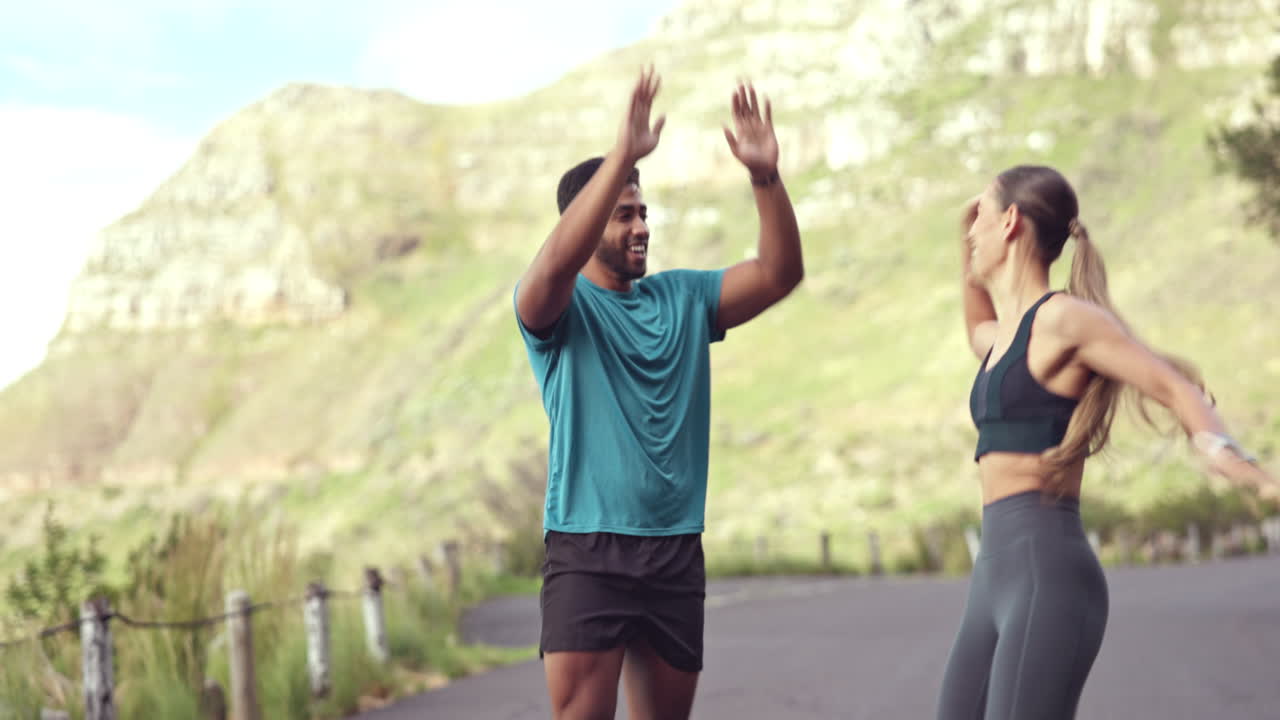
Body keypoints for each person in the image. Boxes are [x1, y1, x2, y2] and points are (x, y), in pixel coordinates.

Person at [936, 164, 1278, 720]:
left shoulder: (1065, 320)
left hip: (1045, 571)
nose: (973, 231)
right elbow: (974, 320)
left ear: (1011, 222)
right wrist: (961, 234)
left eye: (982, 219)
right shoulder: (1006, 336)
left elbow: (1168, 383)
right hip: (993, 576)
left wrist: (1222, 450)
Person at [513, 66, 803, 720]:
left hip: (676, 549)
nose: (641, 226)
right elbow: (554, 265)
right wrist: (622, 155)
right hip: (588, 549)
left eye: (643, 212)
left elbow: (781, 272)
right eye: (623, 215)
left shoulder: (683, 298)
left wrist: (764, 175)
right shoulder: (558, 307)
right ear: (586, 225)